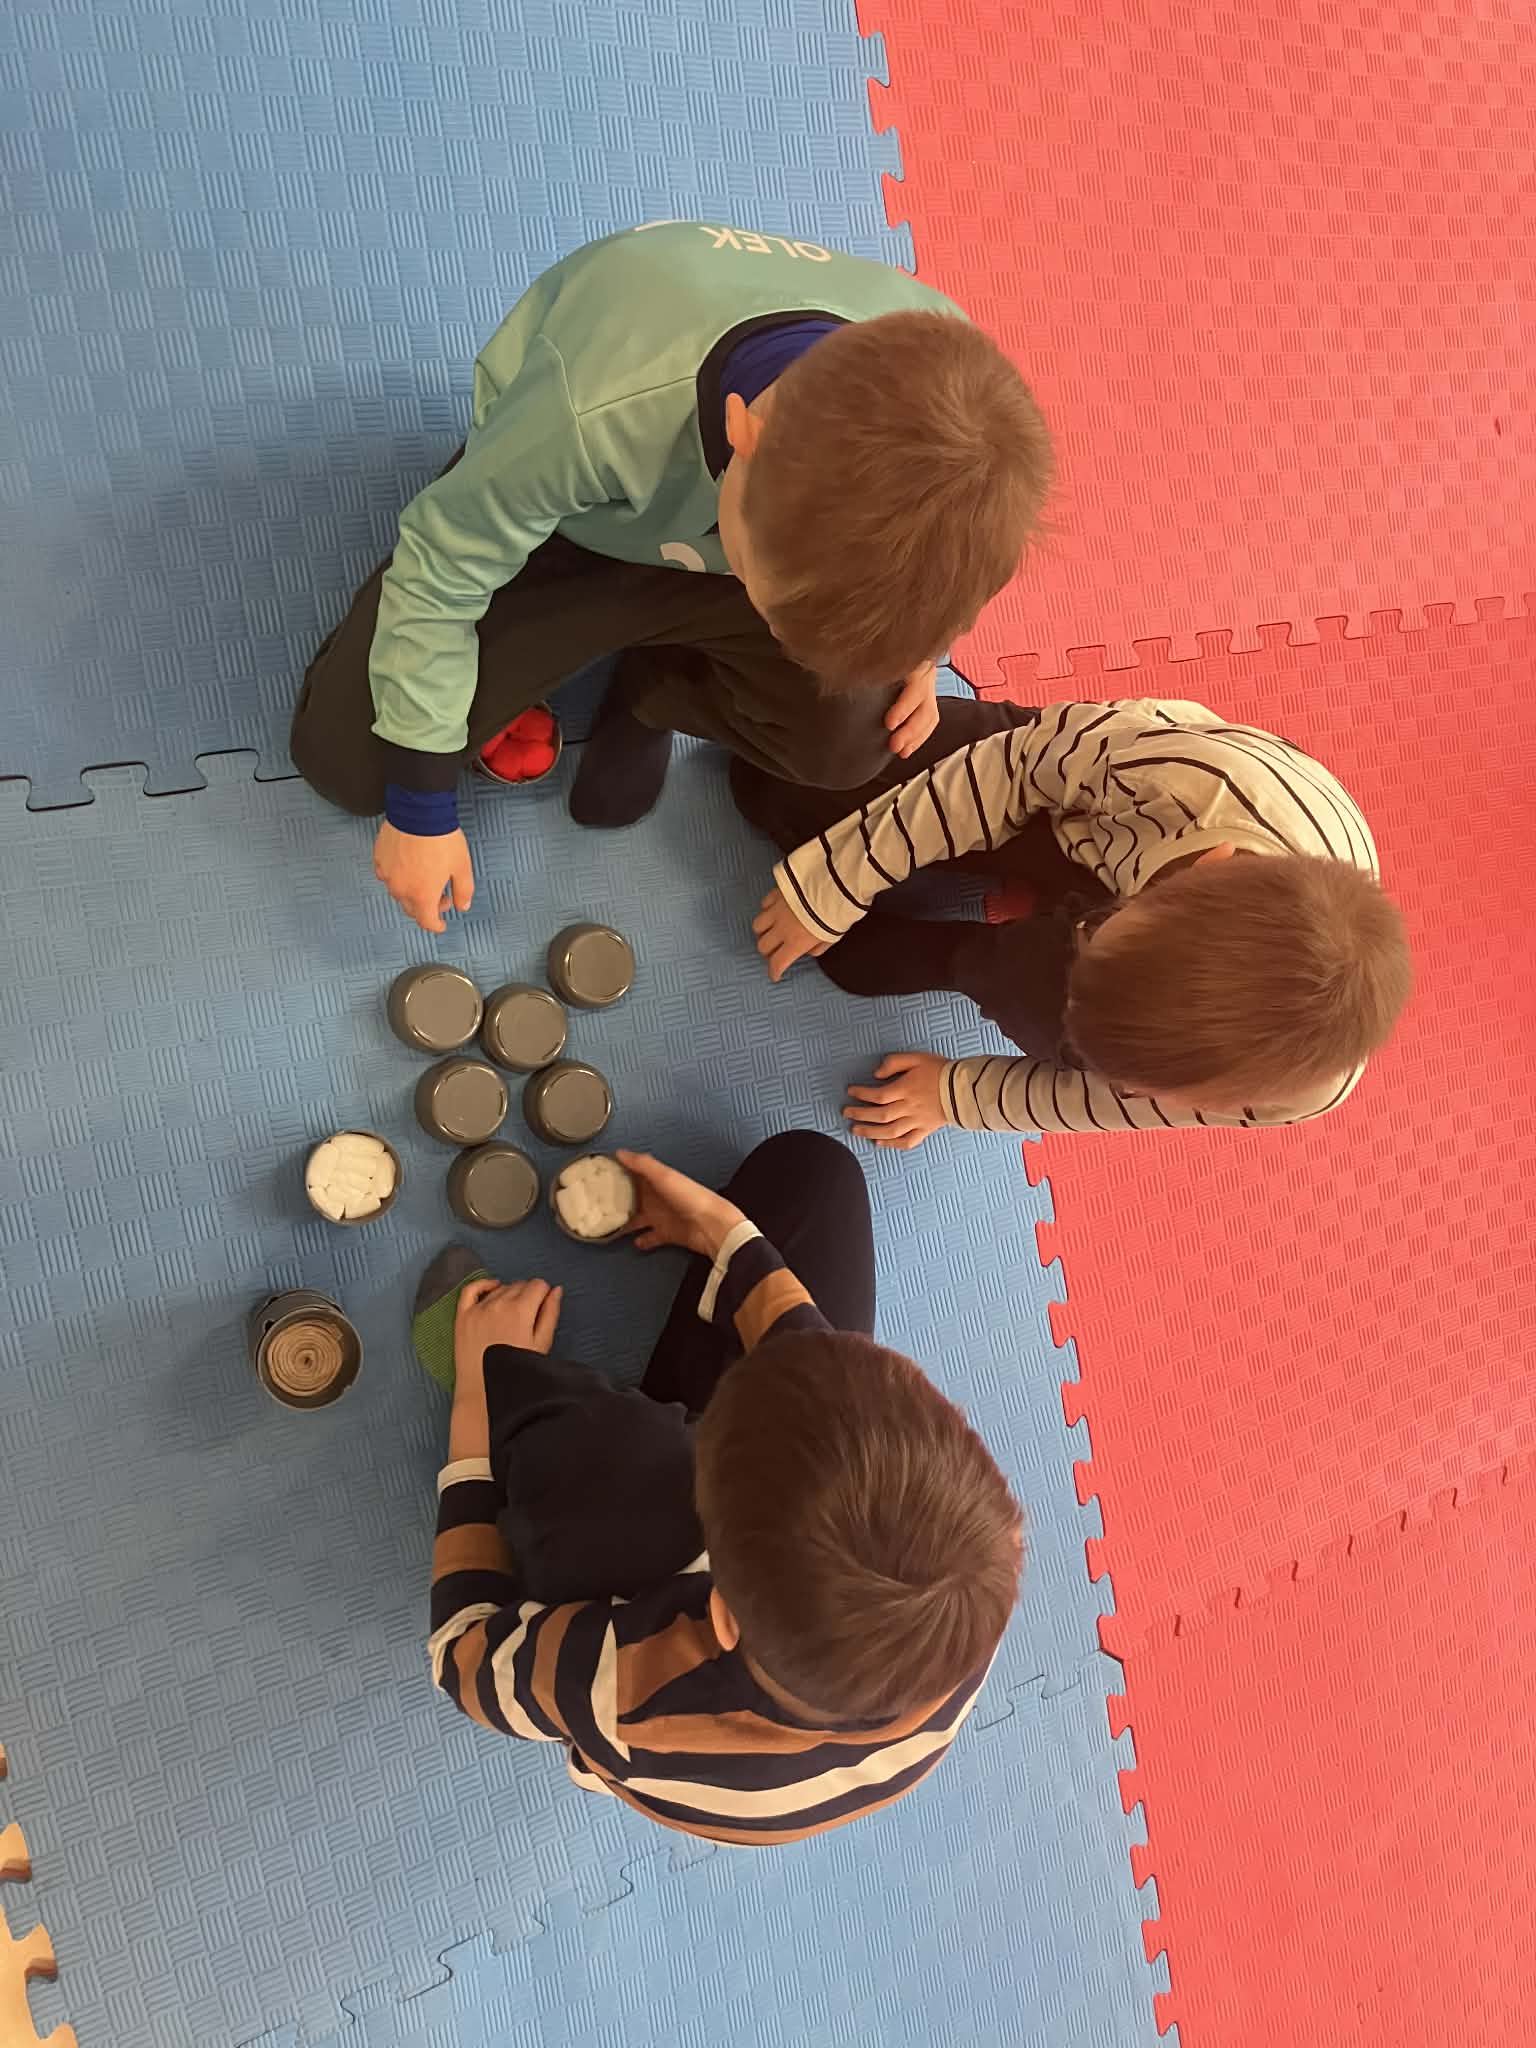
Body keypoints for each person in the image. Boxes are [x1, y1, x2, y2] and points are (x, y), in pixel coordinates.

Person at [290, 221, 1052, 933]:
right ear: (742, 433)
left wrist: (917, 650)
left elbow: (961, 580)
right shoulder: (597, 412)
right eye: (771, 602)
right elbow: (439, 572)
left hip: (748, 542)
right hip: (578, 527)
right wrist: (422, 807)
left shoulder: (968, 424)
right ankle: (648, 639)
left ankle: (652, 691)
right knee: (353, 767)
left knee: (856, 745)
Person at [416, 1133, 1023, 1844]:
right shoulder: (980, 1567)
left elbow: (461, 1653)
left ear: (722, 1615)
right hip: (784, 1610)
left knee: (591, 1450)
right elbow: (825, 1378)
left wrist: (480, 1393)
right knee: (813, 1175)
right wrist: (724, 1236)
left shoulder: (629, 1689)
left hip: (649, 1667)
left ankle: (525, 1406)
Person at [739, 697, 1412, 1142]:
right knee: (781, 776)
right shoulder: (1180, 780)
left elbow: (1100, 1103)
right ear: (1208, 869)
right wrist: (835, 881)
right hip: (1070, 796)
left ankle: (967, 957)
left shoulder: (1289, 1088)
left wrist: (957, 1095)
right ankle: (1030, 902)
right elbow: (1009, 769)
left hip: (1134, 884)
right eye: (1089, 933)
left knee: (1042, 999)